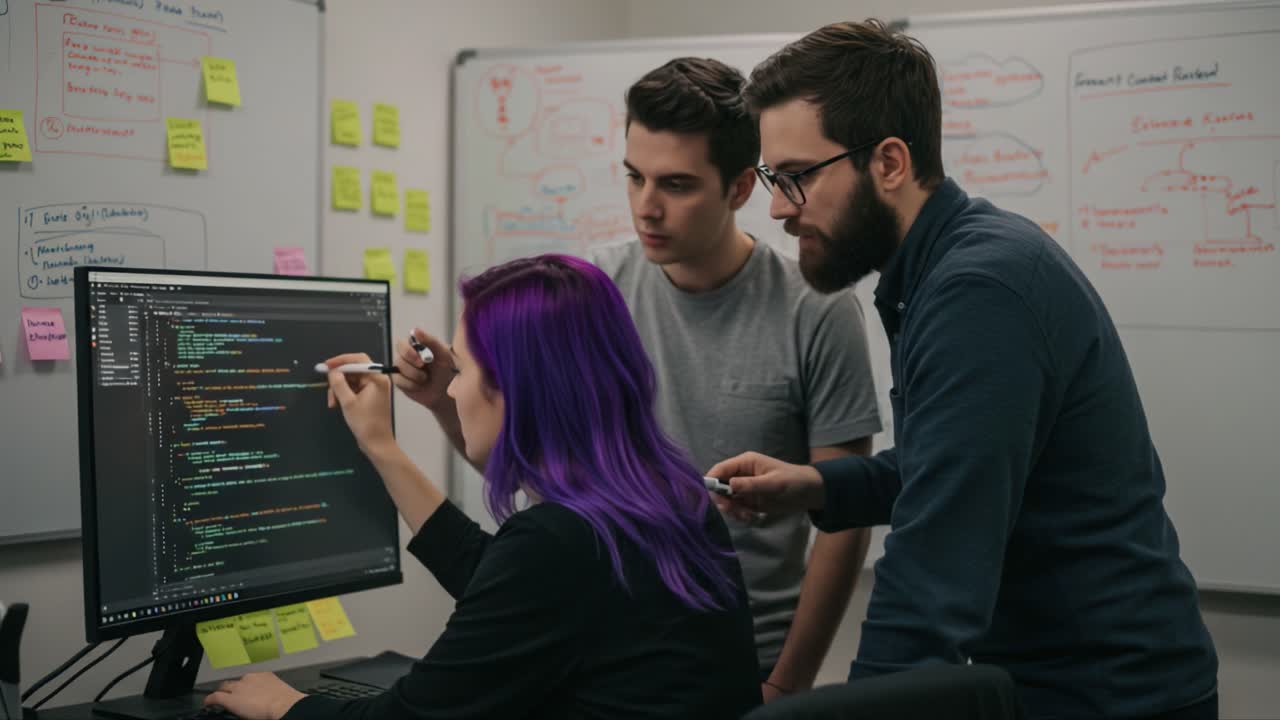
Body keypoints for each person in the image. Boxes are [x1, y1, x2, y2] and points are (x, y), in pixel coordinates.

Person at [708, 20, 1220, 720]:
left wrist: (858, 710)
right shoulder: (945, 269)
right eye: (774, 178)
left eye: (796, 178)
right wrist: (820, 485)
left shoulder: (980, 291)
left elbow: (933, 562)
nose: (776, 208)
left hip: (1108, 694)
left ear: (888, 163)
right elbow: (948, 464)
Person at [203, 255, 762, 720]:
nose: (455, 388)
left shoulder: (559, 539)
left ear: (515, 389)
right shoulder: (670, 496)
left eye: (464, 370)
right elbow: (501, 581)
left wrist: (286, 705)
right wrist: (381, 443)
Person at [589, 57, 883, 701]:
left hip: (749, 667)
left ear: (741, 187)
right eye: (634, 177)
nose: (647, 207)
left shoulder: (817, 308)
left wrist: (787, 684)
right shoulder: (597, 290)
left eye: (677, 184)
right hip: (609, 660)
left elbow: (845, 520)